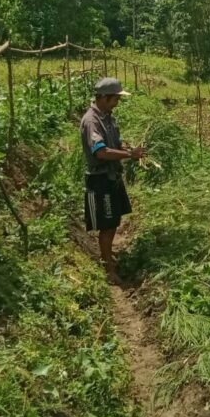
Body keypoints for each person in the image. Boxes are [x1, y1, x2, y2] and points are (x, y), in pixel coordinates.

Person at [80, 77, 146, 282]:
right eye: (115, 99)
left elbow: (113, 145)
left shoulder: (107, 118)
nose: (117, 103)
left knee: (113, 221)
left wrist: (128, 150)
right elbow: (101, 152)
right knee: (107, 225)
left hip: (111, 177)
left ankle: (108, 256)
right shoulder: (92, 121)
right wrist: (129, 155)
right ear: (104, 97)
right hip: (100, 180)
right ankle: (108, 268)